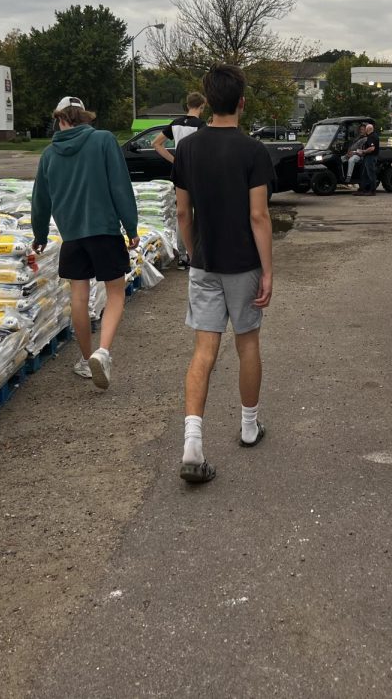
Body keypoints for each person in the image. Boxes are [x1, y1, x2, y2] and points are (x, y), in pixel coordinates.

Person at [172, 63, 274, 485]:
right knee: (246, 344)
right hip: (244, 265)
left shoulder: (188, 149)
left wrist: (195, 252)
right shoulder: (253, 151)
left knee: (204, 351)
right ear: (242, 102)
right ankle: (249, 426)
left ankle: (192, 441)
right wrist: (268, 270)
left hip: (206, 262)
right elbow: (258, 215)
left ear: (207, 102)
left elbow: (182, 212)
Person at [30, 96, 140, 390]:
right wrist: (131, 226)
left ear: (60, 119)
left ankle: (85, 357)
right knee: (115, 294)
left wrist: (39, 236)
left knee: (78, 297)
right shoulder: (103, 141)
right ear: (85, 117)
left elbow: (40, 201)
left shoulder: (49, 155)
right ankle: (103, 352)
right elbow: (120, 185)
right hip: (104, 231)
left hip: (73, 238)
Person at [153, 92, 207, 268]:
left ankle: (183, 255)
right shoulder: (201, 125)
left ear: (187, 105)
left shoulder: (175, 123)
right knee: (198, 211)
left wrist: (174, 160)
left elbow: (156, 143)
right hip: (197, 171)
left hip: (180, 170)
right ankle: (197, 253)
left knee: (182, 213)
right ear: (202, 106)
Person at [356, 123, 380, 196]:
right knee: (365, 174)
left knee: (371, 174)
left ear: (368, 129)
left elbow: (372, 148)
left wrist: (363, 151)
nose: (364, 130)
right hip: (368, 157)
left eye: (365, 129)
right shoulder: (373, 136)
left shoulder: (371, 137)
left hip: (370, 157)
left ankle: (372, 191)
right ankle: (364, 189)